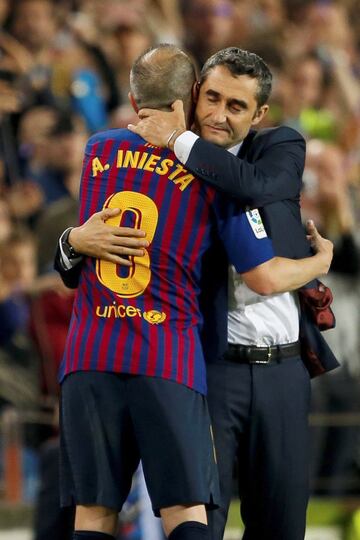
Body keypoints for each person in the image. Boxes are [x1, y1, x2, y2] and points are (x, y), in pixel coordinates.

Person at [55, 45, 333, 540]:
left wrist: (74, 240)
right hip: (185, 361)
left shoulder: (100, 149)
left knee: (94, 515)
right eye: (212, 98)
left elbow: (253, 183)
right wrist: (320, 262)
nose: (219, 115)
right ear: (191, 93)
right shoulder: (209, 183)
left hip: (97, 352)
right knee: (193, 512)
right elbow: (263, 275)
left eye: (236, 106)